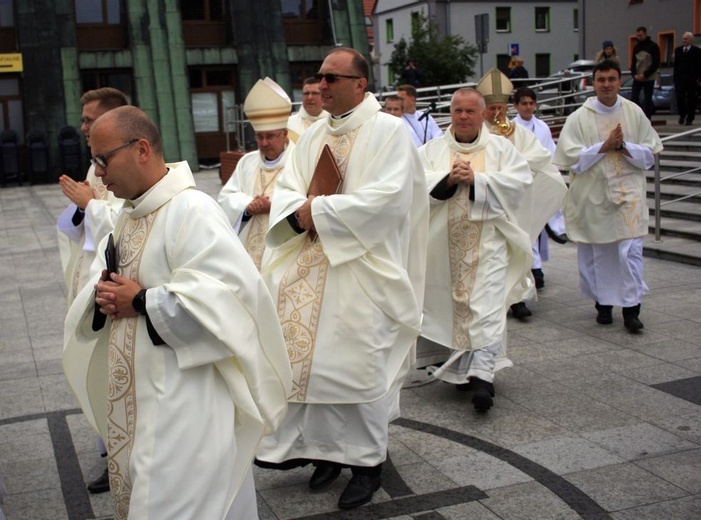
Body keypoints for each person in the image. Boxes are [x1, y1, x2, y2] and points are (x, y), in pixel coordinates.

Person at [63, 106, 292, 519]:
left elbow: (228, 300)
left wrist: (141, 300)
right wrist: (102, 293)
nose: (96, 174)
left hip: (185, 401)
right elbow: (102, 276)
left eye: (103, 159)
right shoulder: (127, 214)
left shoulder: (192, 210)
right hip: (138, 395)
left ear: (142, 149)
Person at [255, 47, 428, 510]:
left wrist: (320, 210)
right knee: (314, 366)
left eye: (333, 77)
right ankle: (324, 454)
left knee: (358, 366)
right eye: (319, 77)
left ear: (361, 84)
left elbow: (389, 200)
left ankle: (368, 464)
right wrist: (301, 210)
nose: (323, 84)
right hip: (312, 266)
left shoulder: (390, 132)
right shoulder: (311, 138)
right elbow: (287, 190)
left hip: (362, 270)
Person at [418, 88, 533, 412]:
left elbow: (520, 183)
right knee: (460, 309)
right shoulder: (431, 150)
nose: (464, 117)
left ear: (483, 114)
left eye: (471, 111)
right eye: (458, 111)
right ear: (451, 114)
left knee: (488, 305)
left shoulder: (500, 148)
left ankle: (483, 377)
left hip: (489, 243)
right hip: (443, 248)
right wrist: (447, 179)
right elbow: (413, 183)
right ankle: (465, 370)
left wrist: (479, 181)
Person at [553, 60, 663, 332]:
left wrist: (623, 145)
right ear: (593, 83)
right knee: (597, 254)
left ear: (619, 82)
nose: (606, 84)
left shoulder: (634, 112)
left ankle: (631, 309)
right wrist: (603, 146)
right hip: (595, 198)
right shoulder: (579, 117)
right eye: (601, 79)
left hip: (629, 197)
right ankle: (603, 304)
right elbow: (570, 159)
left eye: (611, 79)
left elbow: (649, 155)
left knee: (631, 254)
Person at [56, 87, 128, 495]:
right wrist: (83, 206)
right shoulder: (93, 165)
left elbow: (132, 221)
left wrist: (93, 205)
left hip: (116, 291)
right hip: (91, 283)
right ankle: (110, 456)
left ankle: (120, 458)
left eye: (88, 119)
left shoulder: (139, 158)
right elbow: (77, 225)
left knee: (115, 375)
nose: (82, 127)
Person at [478, 70, 567, 320]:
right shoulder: (475, 133)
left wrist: (513, 165)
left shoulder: (518, 132)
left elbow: (540, 157)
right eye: (491, 108)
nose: (497, 114)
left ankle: (517, 300)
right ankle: (491, 301)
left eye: (501, 107)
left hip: (515, 205)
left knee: (516, 251)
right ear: (483, 108)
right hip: (487, 205)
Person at [218, 77, 294, 269]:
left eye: (270, 136)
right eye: (259, 137)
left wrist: (273, 206)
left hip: (286, 248)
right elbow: (226, 197)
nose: (264, 143)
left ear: (284, 134)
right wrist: (248, 205)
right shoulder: (247, 162)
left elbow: (307, 199)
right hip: (248, 252)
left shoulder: (299, 160)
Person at [512, 86, 568, 289]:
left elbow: (550, 152)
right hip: (521, 182)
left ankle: (537, 266)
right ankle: (532, 267)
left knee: (539, 225)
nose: (528, 107)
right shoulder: (511, 127)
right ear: (516, 106)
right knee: (527, 225)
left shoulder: (542, 127)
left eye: (531, 103)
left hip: (540, 180)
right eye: (524, 103)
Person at [631, 26, 661, 120]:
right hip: (637, 77)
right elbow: (633, 62)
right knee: (634, 98)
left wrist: (646, 74)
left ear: (645, 34)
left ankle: (647, 118)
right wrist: (634, 74)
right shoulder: (636, 47)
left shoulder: (653, 46)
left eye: (641, 35)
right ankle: (639, 116)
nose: (639, 37)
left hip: (649, 77)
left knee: (647, 99)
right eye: (637, 35)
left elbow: (656, 62)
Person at [673, 32, 701, 126]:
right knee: (680, 99)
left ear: (691, 40)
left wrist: (698, 78)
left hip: (692, 79)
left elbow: (699, 66)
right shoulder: (678, 50)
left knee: (691, 99)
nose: (684, 40)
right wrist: (675, 78)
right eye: (683, 38)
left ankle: (690, 118)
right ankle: (682, 115)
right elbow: (676, 66)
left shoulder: (697, 51)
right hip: (680, 79)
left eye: (686, 39)